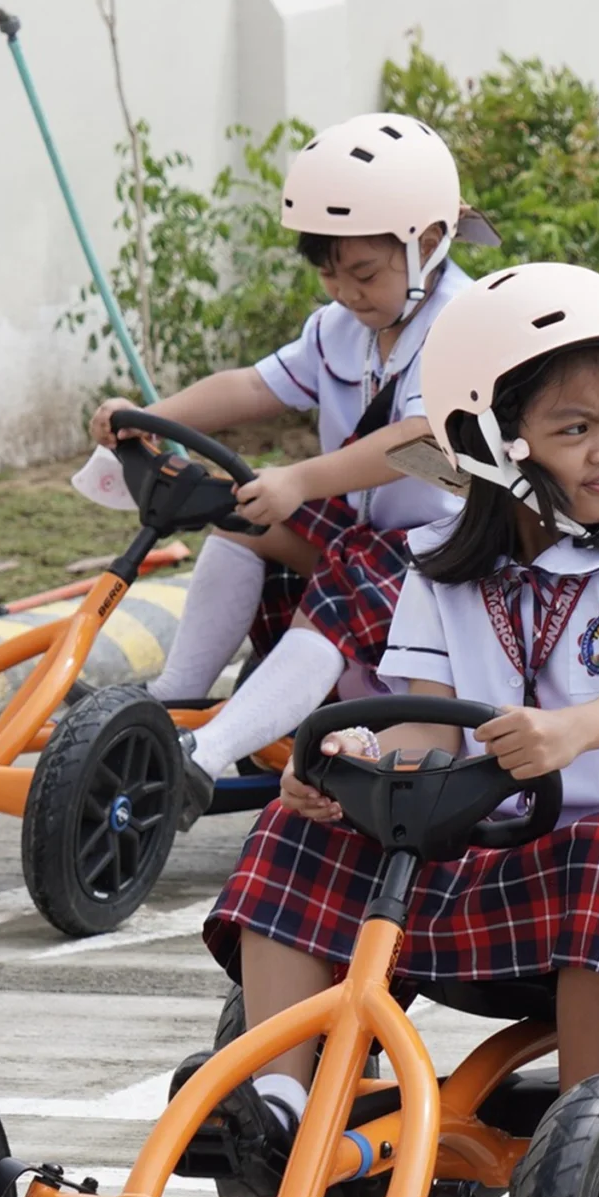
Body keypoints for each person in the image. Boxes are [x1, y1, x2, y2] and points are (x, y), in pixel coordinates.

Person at [198, 263, 599, 1188]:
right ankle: (279, 1104)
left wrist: (570, 733)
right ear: (494, 444)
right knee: (302, 825)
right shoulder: (441, 570)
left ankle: (585, 1139)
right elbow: (423, 738)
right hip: (486, 859)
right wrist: (349, 760)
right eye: (574, 429)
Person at [89, 114, 494, 825]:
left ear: (428, 244)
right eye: (329, 273)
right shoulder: (343, 329)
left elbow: (420, 436)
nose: (344, 291)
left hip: (450, 554)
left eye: (364, 272)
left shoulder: (464, 323)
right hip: (365, 536)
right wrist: (149, 414)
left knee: (337, 575)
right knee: (236, 510)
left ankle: (202, 757)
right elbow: (253, 385)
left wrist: (301, 478)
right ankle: (172, 702)